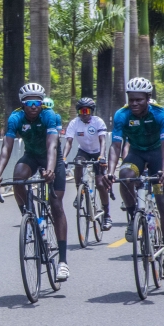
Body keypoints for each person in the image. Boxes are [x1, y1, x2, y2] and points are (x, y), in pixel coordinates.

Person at [0, 82, 70, 282]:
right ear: (22, 104)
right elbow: (6, 149)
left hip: (53, 159)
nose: (34, 106)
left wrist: (50, 170)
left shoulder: (48, 116)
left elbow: (52, 146)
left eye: (37, 102)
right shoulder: (15, 118)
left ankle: (63, 262)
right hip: (32, 156)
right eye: (29, 102)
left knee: (56, 205)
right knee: (18, 177)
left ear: (42, 103)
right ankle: (28, 216)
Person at [99, 77, 164, 278]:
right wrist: (110, 171)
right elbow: (116, 146)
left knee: (163, 202)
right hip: (137, 154)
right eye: (130, 99)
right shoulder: (122, 115)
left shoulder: (160, 113)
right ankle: (134, 215)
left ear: (148, 98)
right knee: (125, 176)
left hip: (158, 155)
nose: (134, 103)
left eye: (138, 100)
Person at [63, 97, 112, 230]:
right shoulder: (74, 123)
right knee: (78, 163)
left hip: (98, 152)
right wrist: (63, 158)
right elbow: (68, 142)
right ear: (78, 112)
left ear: (91, 111)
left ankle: (107, 215)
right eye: (82, 111)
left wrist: (102, 156)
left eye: (87, 110)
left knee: (100, 184)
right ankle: (80, 192)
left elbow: (103, 141)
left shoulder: (98, 122)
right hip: (84, 151)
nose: (85, 113)